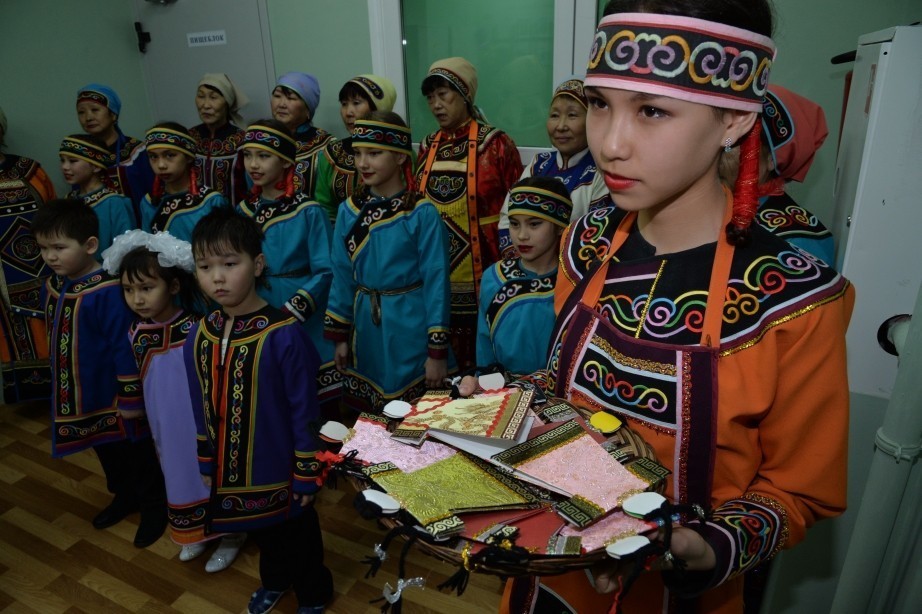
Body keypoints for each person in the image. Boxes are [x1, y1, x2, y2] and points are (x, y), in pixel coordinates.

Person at [459, 3, 854, 612]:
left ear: (734, 119)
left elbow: (799, 490)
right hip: (553, 569)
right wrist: (503, 404)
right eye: (599, 103)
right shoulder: (585, 242)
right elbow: (571, 394)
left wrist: (713, 545)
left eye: (651, 111)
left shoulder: (794, 298)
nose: (610, 144)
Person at [185, 208, 333, 614]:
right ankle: (276, 580)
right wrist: (205, 455)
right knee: (261, 533)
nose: (217, 276)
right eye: (205, 266)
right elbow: (198, 400)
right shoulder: (200, 333)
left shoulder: (284, 335)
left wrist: (306, 472)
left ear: (258, 264)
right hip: (232, 467)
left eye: (230, 264)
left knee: (298, 534)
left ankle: (313, 591)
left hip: (282, 467)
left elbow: (306, 410)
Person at [102, 230, 246, 571]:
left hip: (203, 423)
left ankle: (231, 534)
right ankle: (196, 531)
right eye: (128, 290)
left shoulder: (200, 328)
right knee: (178, 473)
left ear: (174, 286)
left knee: (214, 475)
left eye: (146, 288)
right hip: (164, 425)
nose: (137, 299)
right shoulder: (136, 332)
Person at [32, 199, 167, 548]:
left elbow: (123, 348)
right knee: (106, 452)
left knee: (137, 454)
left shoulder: (107, 289)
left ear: (90, 245)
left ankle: (155, 507)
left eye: (59, 248)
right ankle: (124, 496)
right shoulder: (54, 285)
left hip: (116, 398)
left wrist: (131, 398)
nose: (50, 256)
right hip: (84, 393)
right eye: (44, 248)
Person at [324, 112, 452, 415]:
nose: (363, 162)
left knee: (416, 419)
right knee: (370, 424)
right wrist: (340, 337)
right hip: (366, 327)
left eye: (374, 153)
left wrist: (436, 352)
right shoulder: (349, 210)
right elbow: (342, 275)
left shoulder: (421, 213)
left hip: (410, 325)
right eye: (357, 153)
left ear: (399, 157)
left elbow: (437, 282)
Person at [416, 57, 524, 370]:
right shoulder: (426, 147)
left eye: (444, 95)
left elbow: (516, 206)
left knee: (484, 360)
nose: (436, 105)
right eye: (431, 98)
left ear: (464, 96)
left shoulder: (496, 143)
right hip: (437, 273)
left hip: (487, 266)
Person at [236, 119, 339, 419]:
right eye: (248, 155)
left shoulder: (308, 210)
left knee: (317, 411)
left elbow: (326, 270)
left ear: (285, 161)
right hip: (257, 309)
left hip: (303, 317)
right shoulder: (242, 212)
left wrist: (295, 307)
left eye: (263, 155)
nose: (253, 164)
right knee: (272, 404)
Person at [497, 78, 608, 255]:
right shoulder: (538, 164)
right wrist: (521, 264)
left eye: (572, 115)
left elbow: (597, 234)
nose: (561, 126)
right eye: (554, 115)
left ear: (591, 121)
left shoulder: (601, 170)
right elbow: (507, 218)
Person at [476, 176, 571, 376]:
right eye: (514, 224)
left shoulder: (573, 281)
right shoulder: (493, 277)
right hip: (503, 394)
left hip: (558, 396)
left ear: (560, 225)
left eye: (534, 224)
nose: (521, 236)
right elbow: (484, 347)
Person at [0, 105, 55, 403]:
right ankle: (25, 394)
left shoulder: (29, 170)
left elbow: (52, 211)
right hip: (2, 276)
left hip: (41, 267)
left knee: (49, 324)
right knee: (11, 333)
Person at [754, 85, 835, 264]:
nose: (723, 152)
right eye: (725, 139)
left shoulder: (797, 242)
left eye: (741, 143)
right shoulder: (706, 210)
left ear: (772, 158)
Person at [313, 74, 398, 221]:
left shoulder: (398, 152)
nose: (348, 112)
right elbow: (325, 208)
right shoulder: (332, 153)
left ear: (378, 108)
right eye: (344, 104)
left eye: (356, 103)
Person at [140, 123, 229, 242]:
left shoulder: (210, 201)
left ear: (188, 157)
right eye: (153, 157)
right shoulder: (149, 202)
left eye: (170, 155)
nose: (161, 165)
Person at [75, 83, 154, 214]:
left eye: (95, 110)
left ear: (113, 114)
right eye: (81, 112)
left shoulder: (138, 151)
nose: (88, 118)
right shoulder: (80, 156)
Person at [59, 134, 136, 257]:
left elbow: (126, 250)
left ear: (95, 166)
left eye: (73, 161)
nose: (65, 167)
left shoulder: (115, 203)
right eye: (62, 160)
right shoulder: (67, 201)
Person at [270, 72, 333, 198]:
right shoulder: (263, 138)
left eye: (291, 98)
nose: (281, 104)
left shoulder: (326, 145)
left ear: (308, 109)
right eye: (277, 96)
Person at [189, 73, 249, 205]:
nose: (205, 105)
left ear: (227, 102)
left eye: (213, 97)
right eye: (200, 96)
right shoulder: (190, 137)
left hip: (233, 220)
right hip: (197, 219)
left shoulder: (242, 141)